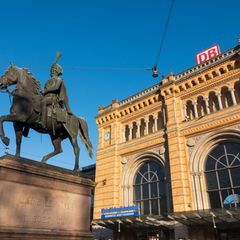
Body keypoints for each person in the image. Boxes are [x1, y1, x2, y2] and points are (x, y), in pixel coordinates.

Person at [41, 52, 72, 128]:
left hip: (54, 99)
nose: (51, 72)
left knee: (43, 102)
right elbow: (44, 90)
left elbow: (56, 87)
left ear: (56, 72)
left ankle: (43, 123)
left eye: (53, 70)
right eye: (51, 70)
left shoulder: (59, 80)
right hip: (46, 97)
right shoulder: (48, 81)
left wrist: (46, 91)